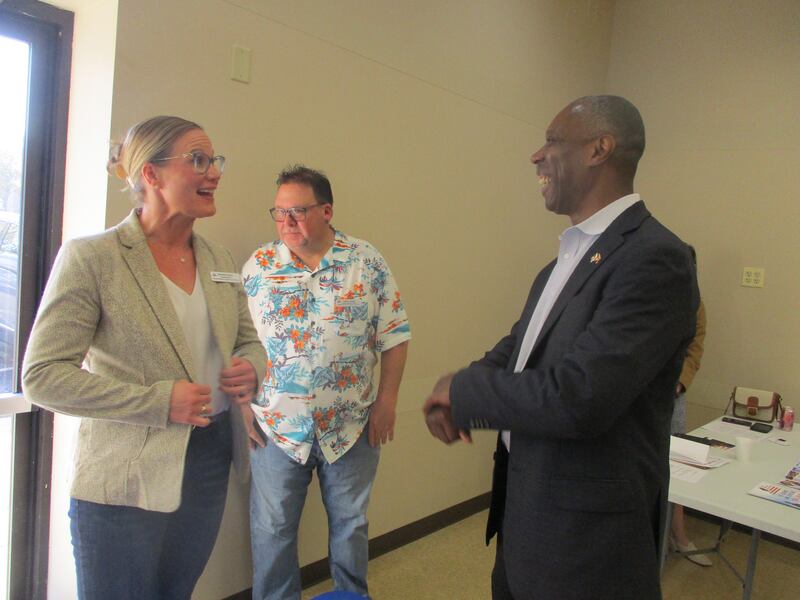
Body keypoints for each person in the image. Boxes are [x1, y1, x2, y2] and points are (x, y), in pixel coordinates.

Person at [423, 96, 698, 600]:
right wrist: (462, 388)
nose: (536, 156)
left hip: (586, 549)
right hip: (526, 519)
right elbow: (520, 347)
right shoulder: (560, 263)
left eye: (551, 140)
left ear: (599, 148)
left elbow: (580, 397)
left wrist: (464, 391)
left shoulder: (656, 260)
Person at [21, 116, 267, 600]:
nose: (213, 172)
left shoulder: (217, 258)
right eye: (197, 160)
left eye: (215, 160)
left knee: (176, 591)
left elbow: (248, 340)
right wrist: (158, 402)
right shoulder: (94, 258)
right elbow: (43, 377)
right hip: (124, 473)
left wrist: (251, 366)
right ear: (150, 175)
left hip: (208, 457)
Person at [242, 165, 411, 600]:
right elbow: (236, 344)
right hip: (276, 427)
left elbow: (394, 335)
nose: (287, 223)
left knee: (350, 526)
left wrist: (387, 401)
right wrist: (243, 405)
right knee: (272, 530)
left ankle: (351, 596)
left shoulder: (366, 261)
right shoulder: (258, 268)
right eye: (279, 213)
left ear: (327, 210)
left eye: (297, 211)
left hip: (352, 425)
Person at [670, 298, 710, 565]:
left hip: (671, 394)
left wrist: (679, 383)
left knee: (675, 466)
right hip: (632, 395)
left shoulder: (693, 301)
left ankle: (679, 536)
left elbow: (695, 348)